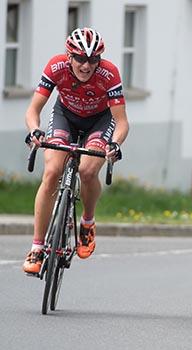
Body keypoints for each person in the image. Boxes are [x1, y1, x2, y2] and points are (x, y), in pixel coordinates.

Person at [23, 27, 130, 274]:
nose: (86, 65)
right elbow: (33, 109)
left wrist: (115, 144)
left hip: (99, 121)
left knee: (88, 170)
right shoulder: (56, 67)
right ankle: (37, 248)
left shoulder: (109, 73)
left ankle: (87, 222)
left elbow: (122, 121)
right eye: (80, 58)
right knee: (51, 172)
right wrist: (35, 130)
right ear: (69, 56)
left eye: (93, 59)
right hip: (65, 116)